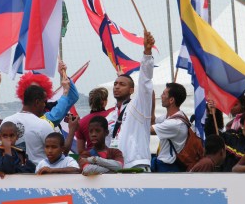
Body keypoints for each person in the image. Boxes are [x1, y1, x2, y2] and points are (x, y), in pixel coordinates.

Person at [107, 31, 155, 171]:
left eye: (122, 84)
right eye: (115, 84)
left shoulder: (138, 106)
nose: (117, 87)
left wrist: (147, 52)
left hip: (137, 164)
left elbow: (145, 81)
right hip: (117, 166)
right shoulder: (111, 115)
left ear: (132, 90)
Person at [2, 85, 55, 165]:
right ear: (37, 102)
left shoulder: (6, 121)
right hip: (39, 174)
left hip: (12, 174)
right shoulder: (43, 125)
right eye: (44, 102)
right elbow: (57, 154)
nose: (45, 105)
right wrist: (71, 131)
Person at [16, 61, 79, 127]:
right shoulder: (25, 117)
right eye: (31, 89)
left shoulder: (50, 106)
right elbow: (53, 119)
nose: (35, 92)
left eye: (39, 88)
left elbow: (72, 97)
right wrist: (65, 91)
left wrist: (63, 74)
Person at [150, 82, 189, 172]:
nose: (161, 96)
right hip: (164, 163)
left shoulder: (175, 123)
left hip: (169, 166)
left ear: (171, 100)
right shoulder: (171, 116)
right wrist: (152, 102)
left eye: (164, 94)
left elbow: (148, 130)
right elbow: (152, 121)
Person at [76, 87, 113, 154]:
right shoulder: (112, 114)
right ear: (105, 102)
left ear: (90, 103)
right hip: (112, 155)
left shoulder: (82, 122)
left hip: (92, 158)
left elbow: (80, 150)